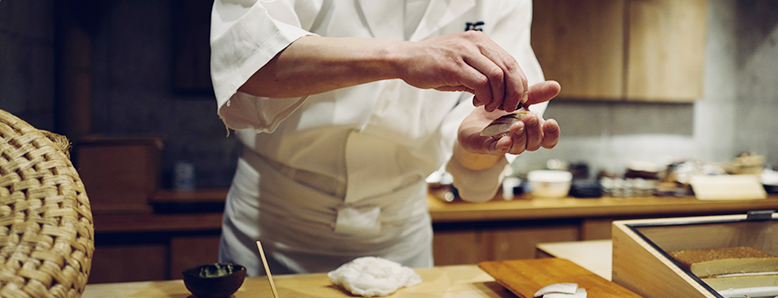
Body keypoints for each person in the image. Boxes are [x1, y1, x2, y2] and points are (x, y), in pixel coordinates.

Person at [209, 0, 561, 276]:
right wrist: (402, 57)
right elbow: (246, 57)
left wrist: (483, 145)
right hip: (274, 227)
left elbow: (470, 150)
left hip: (400, 236)